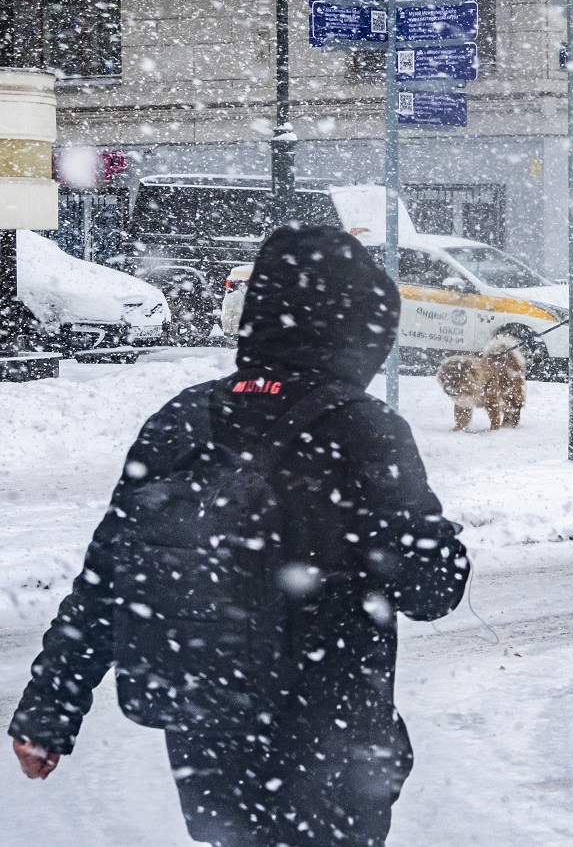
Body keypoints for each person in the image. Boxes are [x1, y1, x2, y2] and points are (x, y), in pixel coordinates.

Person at [9, 225, 471, 847]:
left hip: (209, 732)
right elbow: (431, 589)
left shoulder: (182, 419)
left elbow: (106, 579)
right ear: (357, 330)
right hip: (330, 736)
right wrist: (436, 543)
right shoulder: (361, 429)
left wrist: (50, 709)